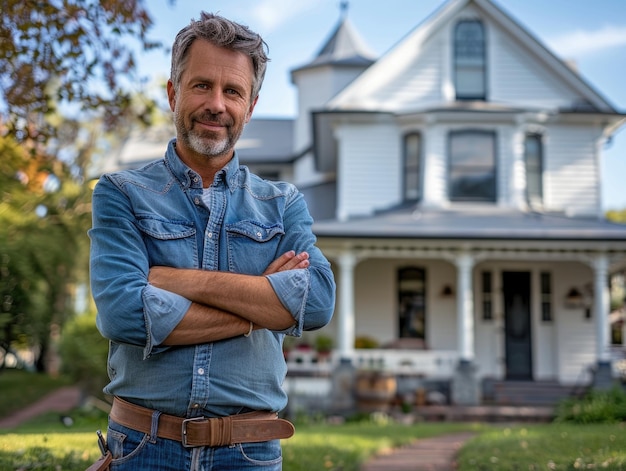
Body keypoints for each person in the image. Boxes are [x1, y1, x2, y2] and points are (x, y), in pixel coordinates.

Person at [88, 12, 336, 471]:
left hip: (249, 452)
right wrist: (261, 302)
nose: (216, 104)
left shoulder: (282, 203)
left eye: (233, 91)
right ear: (172, 93)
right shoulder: (121, 193)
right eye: (201, 85)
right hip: (143, 447)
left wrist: (175, 282)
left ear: (252, 105)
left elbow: (316, 302)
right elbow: (124, 313)